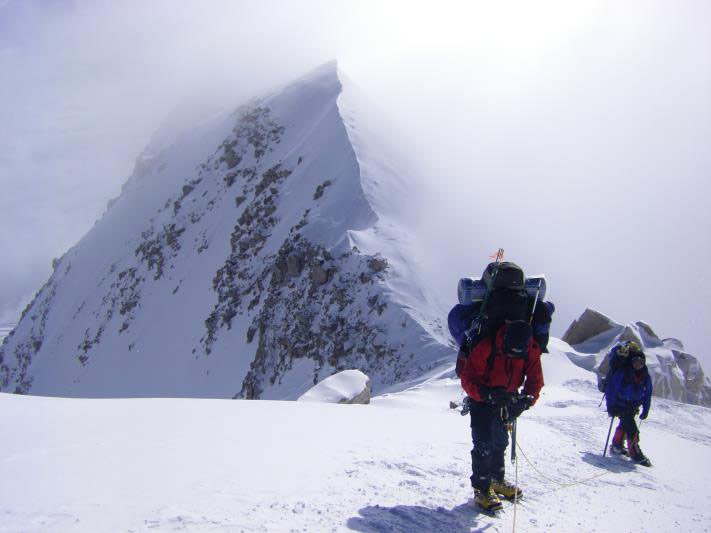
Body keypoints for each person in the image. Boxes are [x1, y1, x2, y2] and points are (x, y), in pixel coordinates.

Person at [459, 320, 544, 512]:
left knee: (500, 441)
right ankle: (481, 489)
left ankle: (496, 480)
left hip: (507, 399)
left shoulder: (530, 348)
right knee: (483, 444)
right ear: (504, 341)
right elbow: (468, 377)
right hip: (482, 399)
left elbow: (535, 380)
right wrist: (486, 394)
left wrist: (525, 401)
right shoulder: (487, 345)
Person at [605, 342, 653, 466]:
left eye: (641, 362)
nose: (638, 364)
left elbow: (647, 393)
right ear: (631, 361)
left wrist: (645, 409)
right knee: (632, 429)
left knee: (624, 425)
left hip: (633, 405)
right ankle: (635, 453)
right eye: (636, 361)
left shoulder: (645, 375)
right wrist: (611, 406)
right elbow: (612, 388)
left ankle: (617, 445)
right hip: (621, 404)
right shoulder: (623, 371)